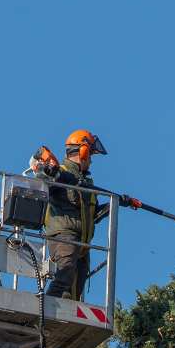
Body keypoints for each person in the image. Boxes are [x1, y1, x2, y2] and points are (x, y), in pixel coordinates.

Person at [32, 129, 108, 300]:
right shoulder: (60, 171)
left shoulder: (86, 182)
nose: (91, 161)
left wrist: (114, 205)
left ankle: (61, 312)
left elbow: (92, 213)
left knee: (75, 289)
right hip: (64, 236)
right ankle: (45, 309)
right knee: (64, 275)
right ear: (83, 152)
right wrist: (51, 173)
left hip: (83, 243)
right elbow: (42, 183)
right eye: (91, 156)